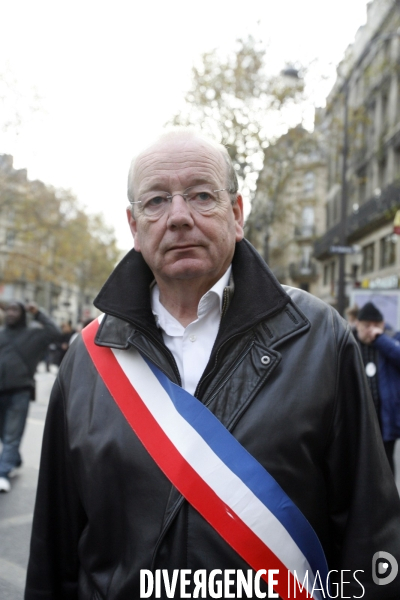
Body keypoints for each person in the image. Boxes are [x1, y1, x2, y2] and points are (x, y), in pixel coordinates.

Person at [25, 130, 400, 599]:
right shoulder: (88, 358)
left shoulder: (319, 337)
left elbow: (370, 535)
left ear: (237, 214)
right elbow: (54, 550)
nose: (179, 217)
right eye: (157, 200)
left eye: (202, 195)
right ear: (134, 226)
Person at [0, 301, 60, 493]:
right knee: (5, 434)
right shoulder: (1, 334)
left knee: (12, 435)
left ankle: (3, 473)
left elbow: (55, 332)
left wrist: (38, 312)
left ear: (23, 313)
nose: (10, 313)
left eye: (14, 310)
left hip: (20, 392)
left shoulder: (34, 334)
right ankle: (13, 460)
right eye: (8, 309)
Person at [354, 301, 400, 473]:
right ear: (358, 324)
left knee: (386, 464)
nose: (372, 329)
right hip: (358, 416)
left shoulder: (391, 338)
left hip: (385, 416)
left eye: (377, 325)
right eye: (367, 326)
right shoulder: (349, 341)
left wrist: (381, 340)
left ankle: (388, 499)